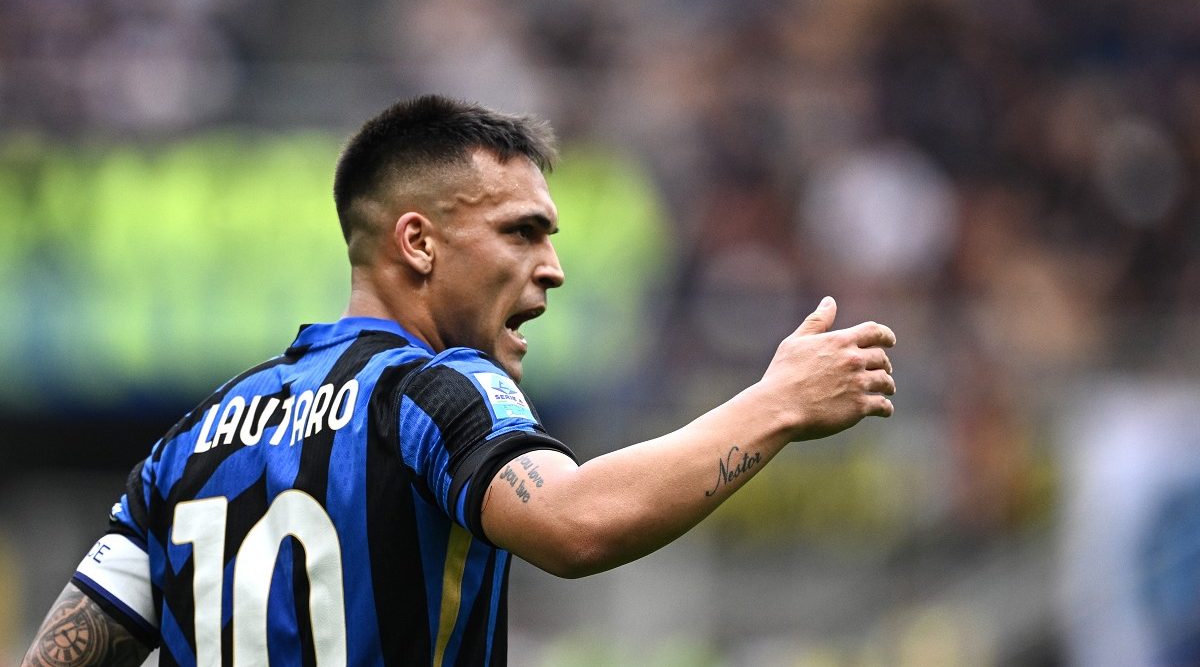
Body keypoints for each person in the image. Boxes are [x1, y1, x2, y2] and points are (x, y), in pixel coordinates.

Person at [21, 94, 897, 667]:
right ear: (418, 242)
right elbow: (575, 523)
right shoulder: (433, 391)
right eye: (522, 232)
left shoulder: (186, 445)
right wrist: (777, 403)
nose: (553, 268)